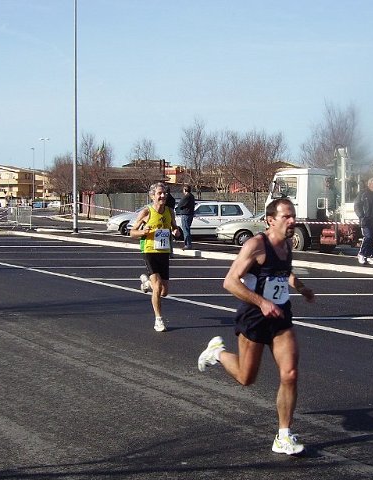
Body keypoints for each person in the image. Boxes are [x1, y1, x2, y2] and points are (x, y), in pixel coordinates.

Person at [197, 197, 315, 455]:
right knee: (245, 378)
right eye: (286, 216)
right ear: (270, 220)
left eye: (293, 215)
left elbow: (284, 273)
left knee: (290, 374)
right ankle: (216, 353)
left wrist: (301, 287)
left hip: (281, 317)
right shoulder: (255, 245)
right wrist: (261, 302)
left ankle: (283, 435)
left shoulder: (287, 244)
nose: (292, 221)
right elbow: (229, 281)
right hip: (254, 317)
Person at [130, 182, 182, 332]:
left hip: (164, 251)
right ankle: (158, 320)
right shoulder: (146, 212)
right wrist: (143, 232)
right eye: (159, 193)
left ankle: (147, 283)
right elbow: (132, 232)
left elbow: (174, 227)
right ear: (152, 196)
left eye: (164, 193)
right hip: (149, 250)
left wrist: (176, 232)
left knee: (164, 292)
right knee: (158, 287)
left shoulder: (170, 211)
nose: (163, 196)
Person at [354, 176, 373, 265]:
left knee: (372, 239)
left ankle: (369, 256)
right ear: (369, 185)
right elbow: (357, 206)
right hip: (365, 220)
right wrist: (361, 216)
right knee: (368, 237)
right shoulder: (363, 193)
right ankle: (361, 254)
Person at [176, 184, 196, 250]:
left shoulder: (186, 197)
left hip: (185, 214)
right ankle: (188, 244)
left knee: (185, 230)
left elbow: (180, 204)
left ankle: (187, 244)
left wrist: (180, 208)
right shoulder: (192, 196)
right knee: (187, 229)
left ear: (185, 190)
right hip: (190, 214)